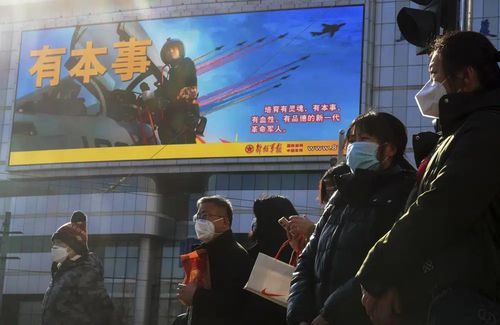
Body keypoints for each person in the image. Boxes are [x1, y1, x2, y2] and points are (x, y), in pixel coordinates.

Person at [358, 31, 500, 325]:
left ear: (466, 76)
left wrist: (377, 270)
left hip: (474, 301)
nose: (428, 88)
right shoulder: (458, 134)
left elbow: (440, 209)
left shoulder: (486, 130)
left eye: (435, 76)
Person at [287, 111, 416, 325]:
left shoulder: (404, 193)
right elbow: (307, 260)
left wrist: (330, 316)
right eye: (353, 141)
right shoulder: (340, 196)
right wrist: (299, 316)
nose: (355, 147)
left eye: (364, 140)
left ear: (390, 148)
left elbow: (384, 265)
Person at [176, 195, 253, 325]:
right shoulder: (204, 253)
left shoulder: (235, 255)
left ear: (225, 222)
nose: (200, 222)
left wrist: (195, 296)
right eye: (198, 217)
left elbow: (235, 303)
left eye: (205, 216)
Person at [41, 211, 113, 325]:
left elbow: (103, 315)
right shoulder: (62, 272)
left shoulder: (86, 274)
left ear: (75, 246)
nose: (54, 247)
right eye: (54, 243)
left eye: (60, 243)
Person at [157, 38, 200, 144]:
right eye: (168, 50)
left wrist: (167, 98)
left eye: (173, 48)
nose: (170, 51)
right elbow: (166, 89)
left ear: (180, 50)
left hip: (185, 113)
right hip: (173, 115)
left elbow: (190, 90)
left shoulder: (186, 63)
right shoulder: (171, 71)